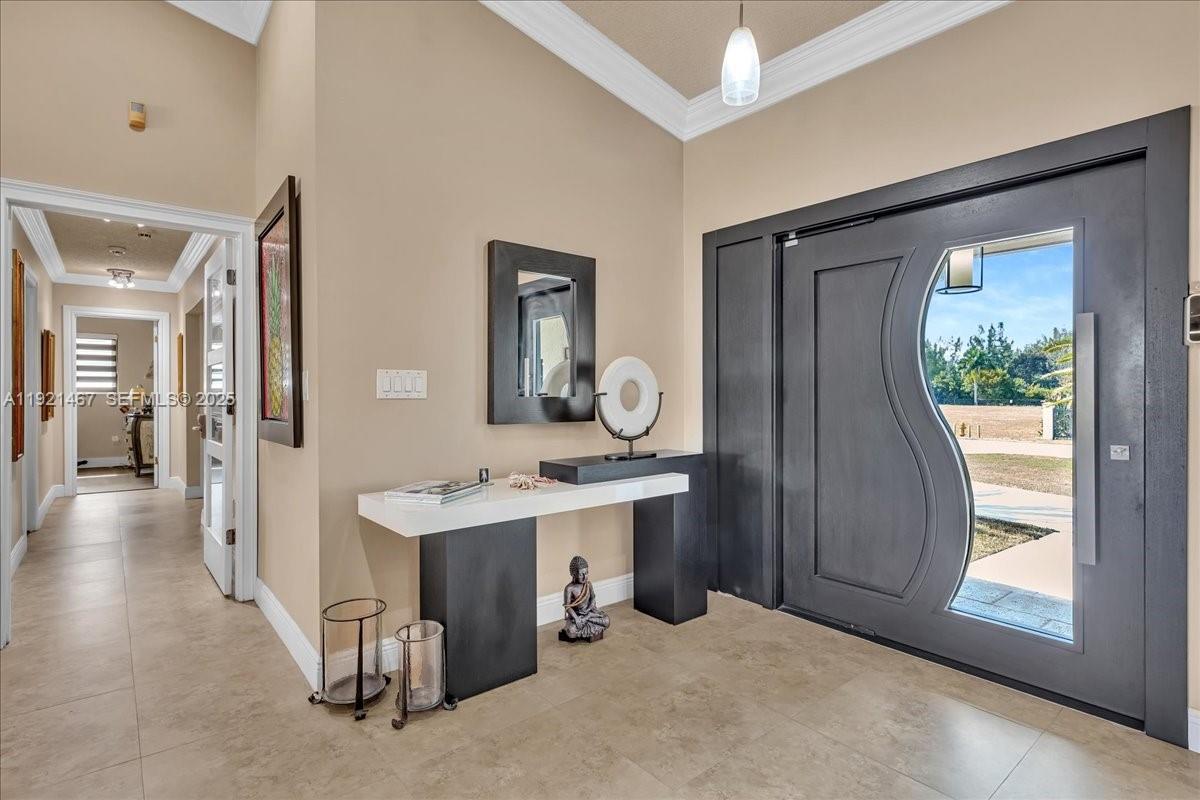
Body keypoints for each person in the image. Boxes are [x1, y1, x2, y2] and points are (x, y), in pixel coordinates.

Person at [560, 555, 609, 642]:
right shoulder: (569, 588)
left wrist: (589, 611)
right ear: (573, 574)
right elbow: (567, 607)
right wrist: (576, 618)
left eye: (586, 573)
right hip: (578, 616)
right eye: (580, 574)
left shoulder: (588, 584)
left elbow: (593, 599)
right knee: (571, 631)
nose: (584, 576)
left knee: (606, 621)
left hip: (589, 613)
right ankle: (587, 620)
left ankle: (588, 618)